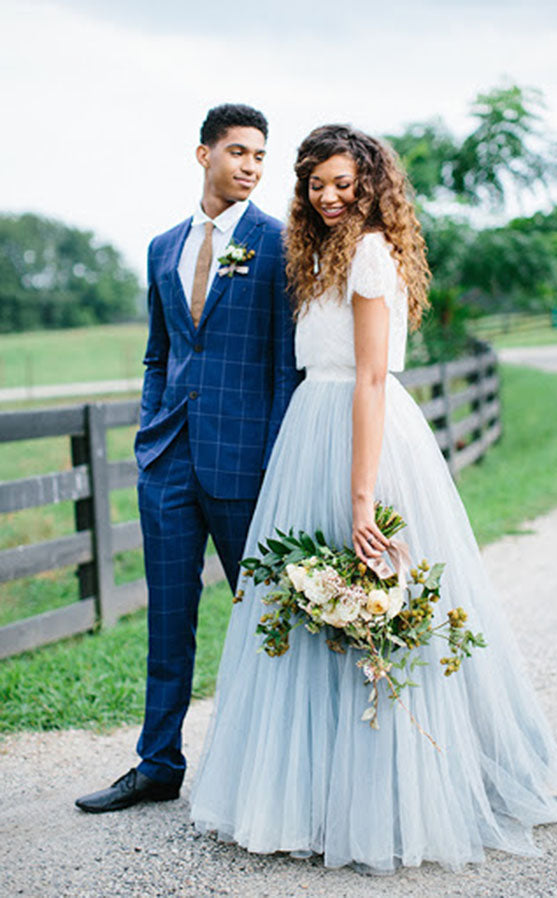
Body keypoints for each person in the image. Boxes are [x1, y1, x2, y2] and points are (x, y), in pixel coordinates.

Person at [189, 124, 557, 871]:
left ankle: (394, 798)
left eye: (344, 183)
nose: (329, 196)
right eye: (316, 184)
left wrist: (360, 499)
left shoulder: (373, 254)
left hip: (364, 437)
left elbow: (372, 379)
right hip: (310, 433)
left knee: (376, 598)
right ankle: (308, 798)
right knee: (311, 609)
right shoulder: (314, 253)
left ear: (371, 183)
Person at [75, 104, 300, 814]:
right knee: (167, 621)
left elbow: (284, 368)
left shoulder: (280, 245)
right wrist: (150, 433)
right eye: (238, 152)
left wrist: (274, 464)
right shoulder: (162, 246)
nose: (251, 167)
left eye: (261, 156)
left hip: (245, 466)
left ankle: (275, 771)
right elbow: (159, 352)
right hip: (168, 462)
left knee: (266, 620)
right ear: (203, 154)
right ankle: (157, 765)